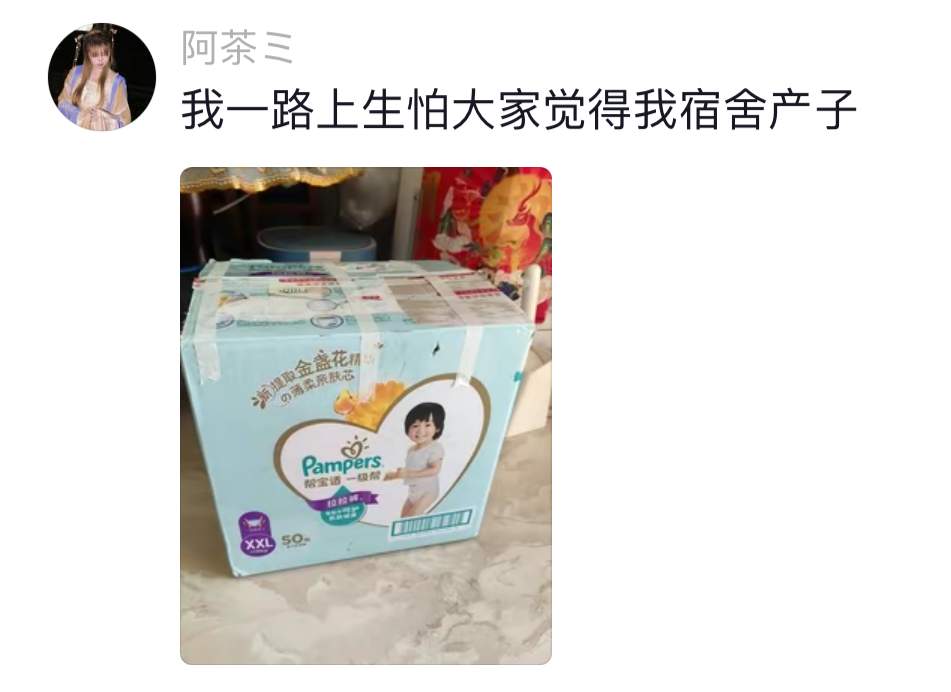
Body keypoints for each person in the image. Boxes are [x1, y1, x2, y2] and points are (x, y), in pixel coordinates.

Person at [57, 30, 131, 130]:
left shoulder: (116, 82)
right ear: (88, 54)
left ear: (110, 53)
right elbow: (62, 102)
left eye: (105, 54)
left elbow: (124, 120)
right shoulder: (75, 73)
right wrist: (81, 115)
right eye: (95, 55)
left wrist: (104, 116)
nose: (101, 59)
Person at [384, 402, 446, 517]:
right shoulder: (411, 450)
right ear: (407, 428)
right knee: (403, 519)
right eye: (415, 426)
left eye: (427, 425)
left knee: (412, 518)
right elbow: (410, 470)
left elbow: (435, 470)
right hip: (413, 492)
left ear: (437, 428)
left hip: (428, 491)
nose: (421, 431)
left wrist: (408, 473)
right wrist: (394, 475)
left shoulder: (434, 448)